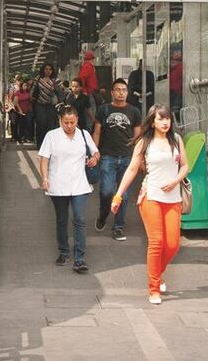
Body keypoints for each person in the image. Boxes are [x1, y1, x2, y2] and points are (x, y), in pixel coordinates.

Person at [110, 103, 191, 305]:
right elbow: (131, 170)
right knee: (156, 243)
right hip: (151, 197)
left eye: (167, 119)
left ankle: (157, 273)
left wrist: (175, 180)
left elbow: (185, 166)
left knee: (172, 245)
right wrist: (118, 195)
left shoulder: (177, 139)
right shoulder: (144, 142)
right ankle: (153, 288)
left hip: (173, 199)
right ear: (152, 122)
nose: (165, 122)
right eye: (160, 119)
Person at [38, 105, 99, 274]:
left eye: (72, 122)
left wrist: (94, 158)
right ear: (60, 121)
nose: (69, 126)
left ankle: (79, 258)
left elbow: (96, 152)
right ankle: (64, 252)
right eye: (66, 122)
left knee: (79, 219)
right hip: (57, 184)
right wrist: (44, 178)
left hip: (80, 184)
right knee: (62, 219)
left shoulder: (84, 135)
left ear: (77, 120)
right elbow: (43, 159)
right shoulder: (52, 136)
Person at [93, 78, 142, 241]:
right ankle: (103, 215)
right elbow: (97, 132)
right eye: (118, 89)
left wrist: (139, 156)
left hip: (128, 158)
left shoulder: (134, 111)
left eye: (124, 90)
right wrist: (94, 151)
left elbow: (138, 136)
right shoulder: (103, 110)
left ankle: (118, 226)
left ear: (127, 93)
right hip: (108, 156)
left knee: (124, 195)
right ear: (112, 92)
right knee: (106, 191)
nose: (121, 92)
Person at [32, 63, 63, 150]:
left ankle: (49, 145)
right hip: (39, 104)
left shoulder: (56, 80)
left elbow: (61, 92)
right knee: (40, 123)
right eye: (46, 69)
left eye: (50, 69)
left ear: (52, 71)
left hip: (51, 105)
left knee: (50, 125)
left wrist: (56, 89)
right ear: (43, 70)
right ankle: (40, 144)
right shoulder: (38, 78)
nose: (48, 71)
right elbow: (33, 90)